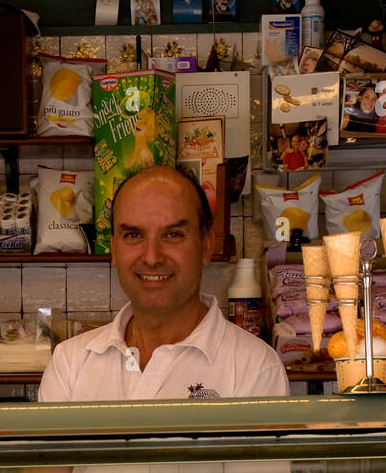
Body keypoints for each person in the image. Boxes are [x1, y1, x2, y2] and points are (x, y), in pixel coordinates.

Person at [38, 164, 289, 402]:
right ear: (114, 249)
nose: (152, 257)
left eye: (173, 235)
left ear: (206, 245)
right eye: (133, 235)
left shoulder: (256, 367)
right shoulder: (70, 364)